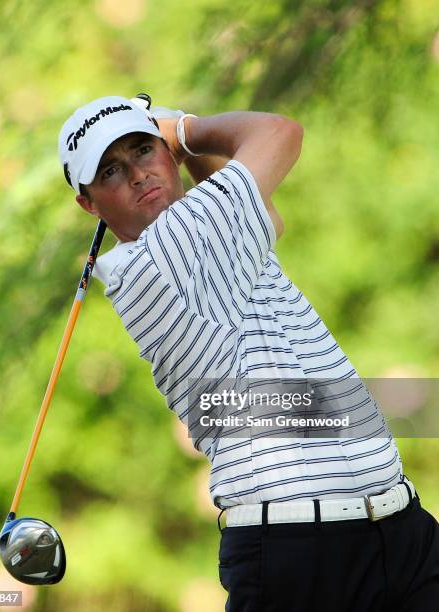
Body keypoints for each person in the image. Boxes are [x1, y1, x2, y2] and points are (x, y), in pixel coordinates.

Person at [58, 95, 439, 611]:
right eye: (110, 170)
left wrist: (182, 151)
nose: (137, 175)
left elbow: (269, 220)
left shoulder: (214, 239)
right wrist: (184, 131)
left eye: (144, 151)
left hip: (399, 529)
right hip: (299, 554)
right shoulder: (166, 250)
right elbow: (280, 133)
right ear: (90, 203)